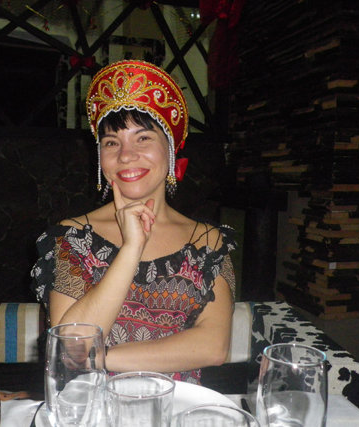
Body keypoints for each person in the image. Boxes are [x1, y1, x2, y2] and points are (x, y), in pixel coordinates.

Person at [31, 60, 236, 384]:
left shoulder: (207, 240)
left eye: (143, 138)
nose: (125, 155)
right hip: (92, 404)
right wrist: (131, 248)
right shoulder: (72, 237)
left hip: (178, 406)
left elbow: (214, 346)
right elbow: (71, 340)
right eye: (112, 142)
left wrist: (98, 357)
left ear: (171, 149)